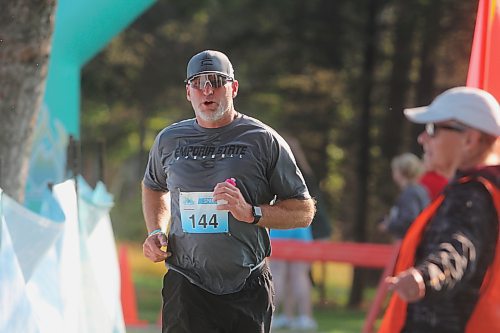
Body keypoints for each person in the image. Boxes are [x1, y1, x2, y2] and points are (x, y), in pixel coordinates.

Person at [141, 50, 316, 333]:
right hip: (185, 282)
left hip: (246, 283)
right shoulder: (168, 140)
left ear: (233, 87)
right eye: (198, 83)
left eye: (216, 81)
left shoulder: (263, 140)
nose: (207, 90)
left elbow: (303, 211)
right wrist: (154, 231)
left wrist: (251, 212)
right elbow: (152, 185)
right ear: (188, 92)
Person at [379, 86, 500, 333]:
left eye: (434, 129)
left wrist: (426, 276)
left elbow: (460, 247)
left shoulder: (473, 194)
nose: (422, 138)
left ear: (470, 140)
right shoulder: (480, 191)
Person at [379, 153, 430, 239]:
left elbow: (408, 221)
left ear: (401, 172)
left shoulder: (410, 194)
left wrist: (389, 225)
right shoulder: (421, 190)